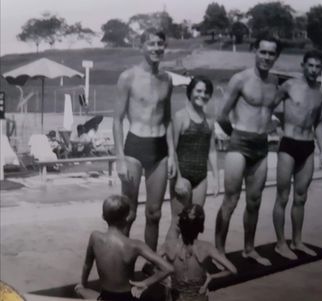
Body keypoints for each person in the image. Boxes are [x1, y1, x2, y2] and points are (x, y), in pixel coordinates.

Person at [214, 32, 282, 266]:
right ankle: (219, 251)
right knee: (230, 200)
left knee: (254, 200)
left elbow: (270, 111)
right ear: (255, 51)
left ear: (276, 57)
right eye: (262, 51)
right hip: (239, 144)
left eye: (271, 53)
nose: (266, 57)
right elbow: (221, 114)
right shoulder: (240, 79)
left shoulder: (274, 81)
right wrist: (236, 137)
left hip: (261, 145)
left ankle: (248, 249)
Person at [113, 28, 176, 248]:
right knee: (128, 213)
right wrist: (119, 157)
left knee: (154, 213)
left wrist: (172, 155)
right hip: (135, 147)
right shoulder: (128, 77)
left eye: (160, 43)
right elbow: (117, 120)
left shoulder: (167, 79)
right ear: (142, 46)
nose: (156, 48)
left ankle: (151, 262)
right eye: (151, 43)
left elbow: (167, 119)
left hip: (159, 150)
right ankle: (121, 263)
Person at [272, 50, 322, 259]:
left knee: (301, 197)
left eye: (318, 67)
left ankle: (297, 241)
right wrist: (276, 127)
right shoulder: (290, 85)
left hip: (308, 146)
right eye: (310, 65)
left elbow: (318, 121)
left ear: (321, 68)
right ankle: (280, 243)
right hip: (289, 144)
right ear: (303, 65)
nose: (313, 70)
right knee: (283, 197)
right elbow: (269, 106)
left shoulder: (321, 92)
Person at [74, 195, 173, 301]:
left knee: (79, 289)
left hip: (105, 297)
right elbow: (168, 268)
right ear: (127, 217)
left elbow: (87, 265)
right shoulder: (134, 245)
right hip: (129, 297)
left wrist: (83, 284)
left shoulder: (95, 237)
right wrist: (145, 283)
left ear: (103, 216)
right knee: (161, 291)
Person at [166, 76, 219, 241]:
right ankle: (165, 262)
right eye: (198, 91)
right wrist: (179, 179)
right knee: (177, 222)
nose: (202, 95)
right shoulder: (180, 117)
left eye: (206, 92)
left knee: (194, 222)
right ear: (190, 92)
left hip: (201, 177)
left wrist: (216, 177)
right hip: (183, 175)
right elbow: (172, 150)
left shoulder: (209, 120)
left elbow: (211, 150)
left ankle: (187, 263)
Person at [160, 204, 237, 301]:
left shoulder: (169, 245)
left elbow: (148, 266)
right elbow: (232, 270)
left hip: (176, 295)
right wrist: (211, 277)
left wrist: (165, 280)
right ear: (201, 228)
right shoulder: (206, 247)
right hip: (197, 295)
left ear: (180, 225)